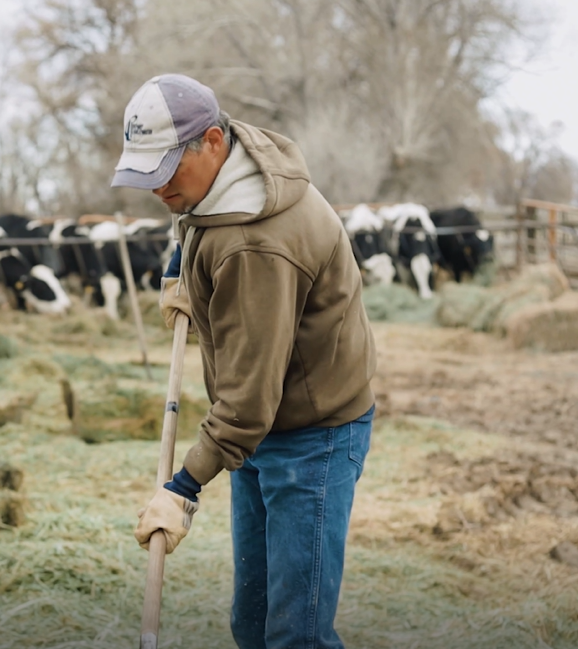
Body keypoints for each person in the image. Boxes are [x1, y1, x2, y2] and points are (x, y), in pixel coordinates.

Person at [114, 73, 377, 648]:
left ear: (210, 141)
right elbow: (193, 214)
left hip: (313, 431)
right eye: (147, 172)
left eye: (166, 170)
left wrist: (183, 487)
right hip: (261, 428)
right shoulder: (232, 163)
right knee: (252, 623)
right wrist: (180, 267)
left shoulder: (258, 245)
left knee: (294, 635)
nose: (157, 188)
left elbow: (249, 400)